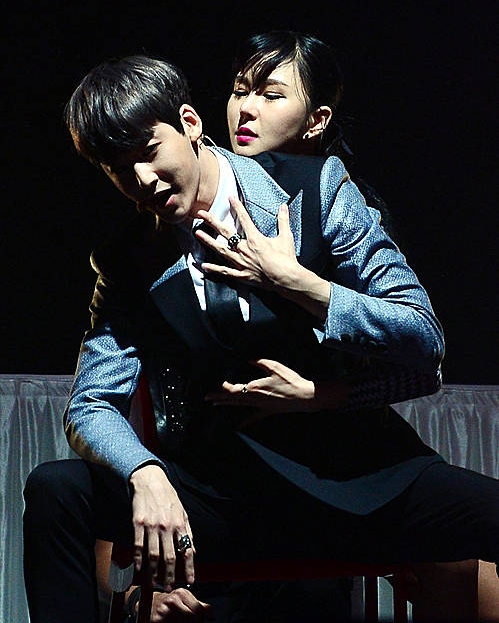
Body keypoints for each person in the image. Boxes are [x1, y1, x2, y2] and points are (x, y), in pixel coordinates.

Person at [23, 53, 499, 623]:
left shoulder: (315, 188)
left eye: (149, 152)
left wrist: (297, 282)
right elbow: (91, 405)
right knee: (56, 490)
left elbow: (422, 337)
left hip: (356, 478)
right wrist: (144, 473)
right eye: (120, 170)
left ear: (189, 124)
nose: (143, 180)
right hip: (220, 498)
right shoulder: (127, 257)